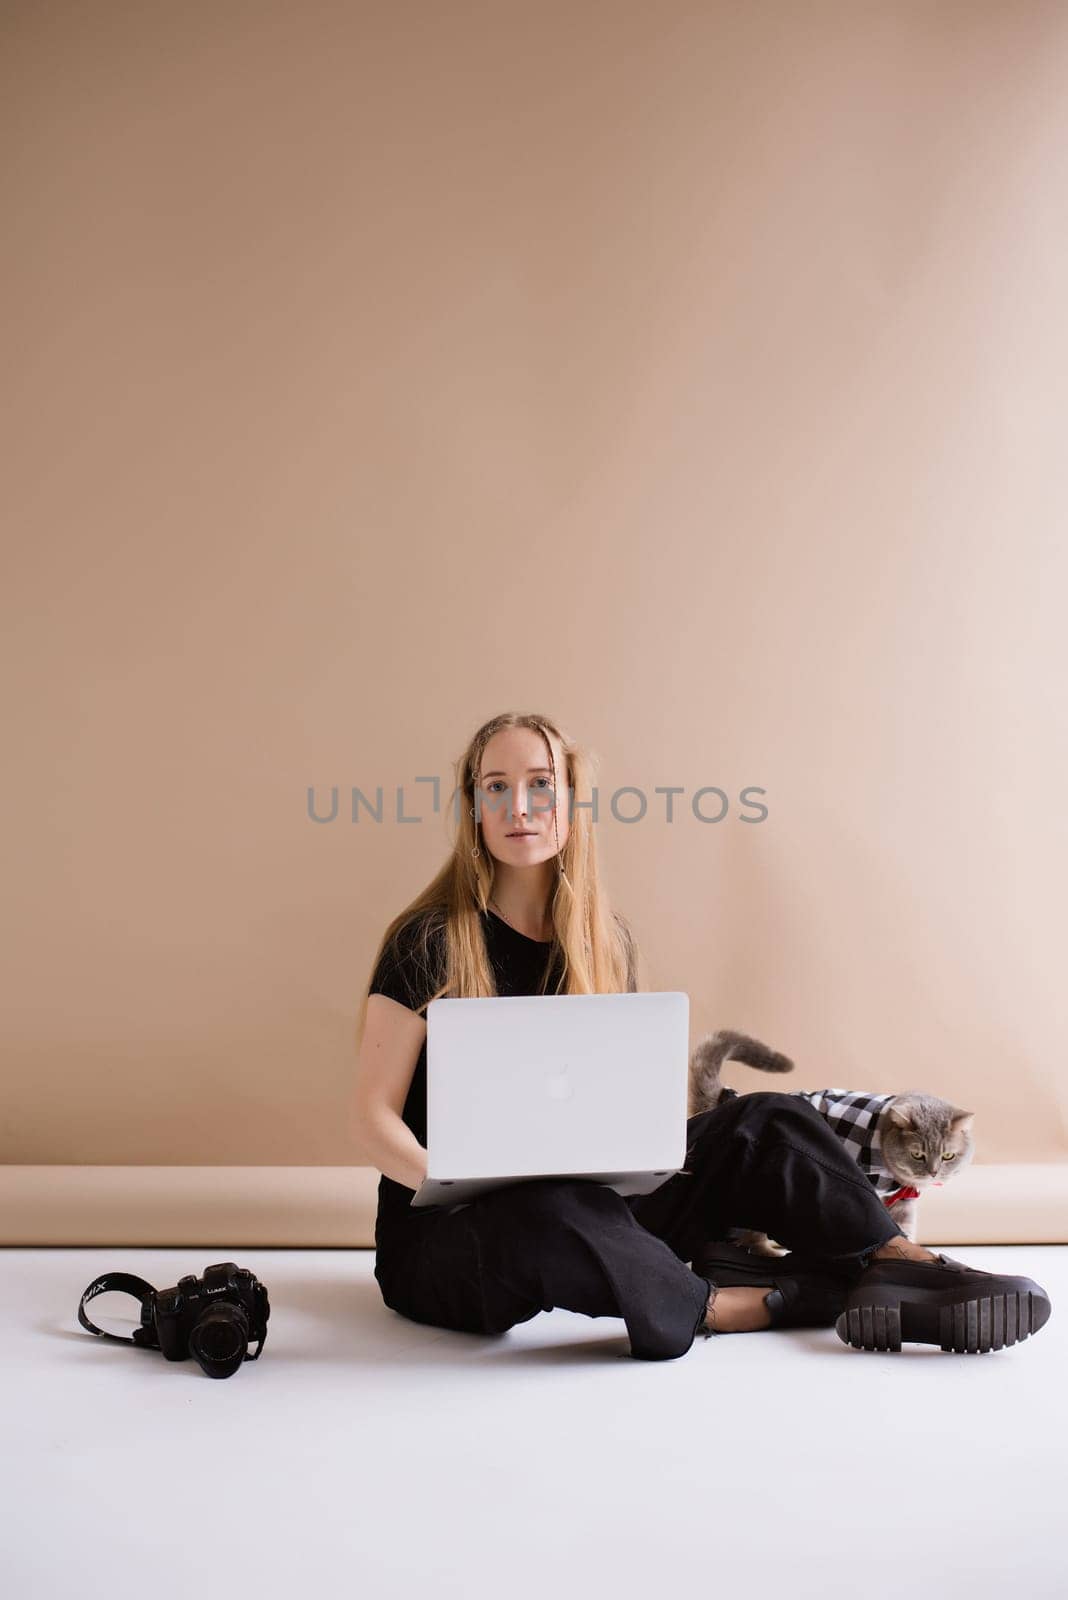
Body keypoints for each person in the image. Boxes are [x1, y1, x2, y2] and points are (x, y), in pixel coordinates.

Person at [352, 711, 1052, 1360]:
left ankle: (896, 1269)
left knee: (768, 1120)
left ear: (570, 801)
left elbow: (612, 1111)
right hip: (451, 1238)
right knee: (545, 1206)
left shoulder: (605, 944)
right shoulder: (430, 940)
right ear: (473, 806)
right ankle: (740, 1303)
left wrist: (648, 1157)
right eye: (495, 787)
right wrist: (446, 1182)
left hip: (588, 1203)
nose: (519, 807)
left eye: (540, 784)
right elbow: (372, 1117)